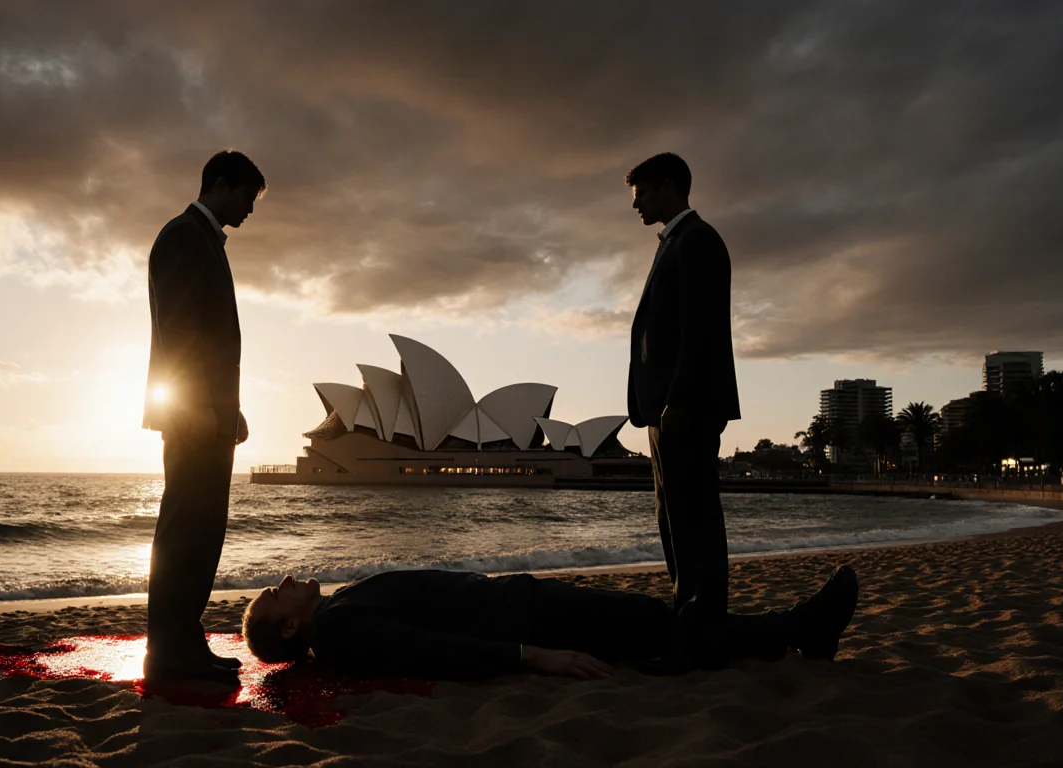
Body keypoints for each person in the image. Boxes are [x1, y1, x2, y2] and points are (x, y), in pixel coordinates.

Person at [241, 566, 859, 680]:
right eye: (277, 593)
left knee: (652, 622)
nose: (286, 581)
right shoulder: (341, 630)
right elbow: (430, 649)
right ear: (291, 628)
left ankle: (791, 629)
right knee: (651, 622)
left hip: (523, 607)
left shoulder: (337, 617)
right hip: (530, 621)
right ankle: (797, 628)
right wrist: (532, 655)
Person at [141, 150, 265, 684]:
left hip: (209, 414)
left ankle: (184, 639)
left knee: (203, 528)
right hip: (193, 416)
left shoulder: (202, 238)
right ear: (220, 184)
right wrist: (198, 407)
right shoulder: (184, 236)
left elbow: (209, 341)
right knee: (186, 528)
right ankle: (169, 650)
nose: (250, 211)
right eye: (247, 198)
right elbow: (181, 332)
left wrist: (229, 409)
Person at [625, 153, 740, 631]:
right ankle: (687, 617)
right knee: (673, 518)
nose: (636, 206)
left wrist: (678, 399)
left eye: (642, 195)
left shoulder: (697, 240)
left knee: (692, 518)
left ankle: (700, 625)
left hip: (685, 406)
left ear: (668, 187)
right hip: (669, 406)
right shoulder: (676, 242)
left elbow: (700, 330)